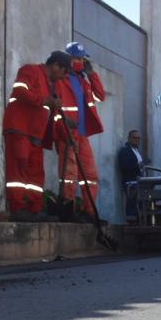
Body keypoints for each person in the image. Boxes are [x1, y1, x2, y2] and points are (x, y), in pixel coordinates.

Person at [2, 51, 69, 221]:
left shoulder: (53, 87)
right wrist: (44, 100)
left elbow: (53, 115)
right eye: (63, 72)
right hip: (19, 128)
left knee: (36, 172)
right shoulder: (30, 70)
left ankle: (34, 209)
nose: (63, 77)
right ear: (55, 66)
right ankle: (17, 209)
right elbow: (19, 91)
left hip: (36, 135)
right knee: (19, 167)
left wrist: (63, 136)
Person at [54, 41, 106, 222]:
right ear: (69, 58)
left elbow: (101, 95)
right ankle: (67, 210)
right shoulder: (61, 79)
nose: (81, 62)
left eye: (83, 59)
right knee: (69, 174)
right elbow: (56, 110)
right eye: (78, 58)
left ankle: (89, 212)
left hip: (82, 135)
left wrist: (92, 74)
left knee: (90, 176)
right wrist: (63, 131)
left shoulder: (84, 81)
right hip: (67, 132)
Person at [117, 130, 145, 221]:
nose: (137, 140)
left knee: (138, 202)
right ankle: (131, 221)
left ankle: (138, 220)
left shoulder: (136, 151)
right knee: (132, 203)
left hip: (138, 181)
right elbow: (124, 166)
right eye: (134, 138)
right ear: (129, 138)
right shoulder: (126, 150)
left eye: (138, 138)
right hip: (130, 182)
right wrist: (138, 166)